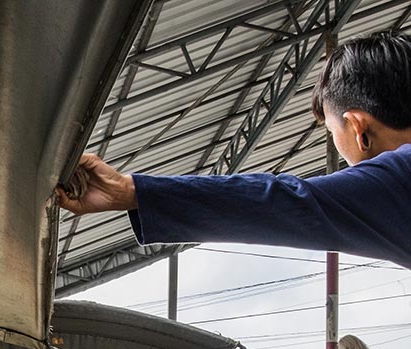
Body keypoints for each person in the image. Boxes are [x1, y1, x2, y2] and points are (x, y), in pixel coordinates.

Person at [54, 32, 411, 268]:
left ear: (359, 128)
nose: (342, 163)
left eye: (334, 134)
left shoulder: (399, 179)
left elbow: (287, 201)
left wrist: (132, 192)